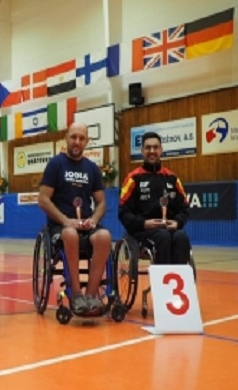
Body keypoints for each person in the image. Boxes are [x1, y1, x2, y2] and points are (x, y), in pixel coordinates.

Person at [38, 122, 112, 317]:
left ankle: (91, 296)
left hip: (86, 225)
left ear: (86, 141)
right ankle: (76, 294)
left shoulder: (92, 168)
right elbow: (43, 199)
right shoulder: (56, 164)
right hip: (60, 226)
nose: (77, 141)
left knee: (104, 236)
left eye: (81, 138)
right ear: (66, 138)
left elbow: (101, 203)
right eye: (74, 137)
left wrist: (94, 219)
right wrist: (64, 220)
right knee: (70, 234)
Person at [118, 131, 190, 264]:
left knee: (181, 236)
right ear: (142, 151)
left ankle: (177, 281)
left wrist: (177, 223)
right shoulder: (133, 179)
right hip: (142, 234)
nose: (152, 151)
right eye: (148, 147)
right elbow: (123, 212)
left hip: (169, 231)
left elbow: (184, 208)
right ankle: (161, 283)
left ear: (161, 150)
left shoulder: (172, 178)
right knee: (163, 236)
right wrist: (143, 224)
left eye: (155, 147)